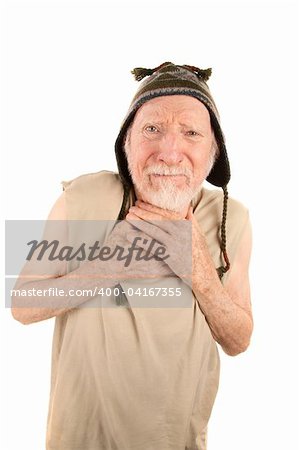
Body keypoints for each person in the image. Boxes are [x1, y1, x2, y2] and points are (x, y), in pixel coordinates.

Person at [11, 62, 253, 450]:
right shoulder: (84, 198)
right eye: (152, 130)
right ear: (127, 143)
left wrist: (199, 269)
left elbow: (239, 339)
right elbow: (21, 303)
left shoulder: (231, 218)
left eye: (190, 132)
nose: (169, 152)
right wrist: (107, 267)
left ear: (214, 150)